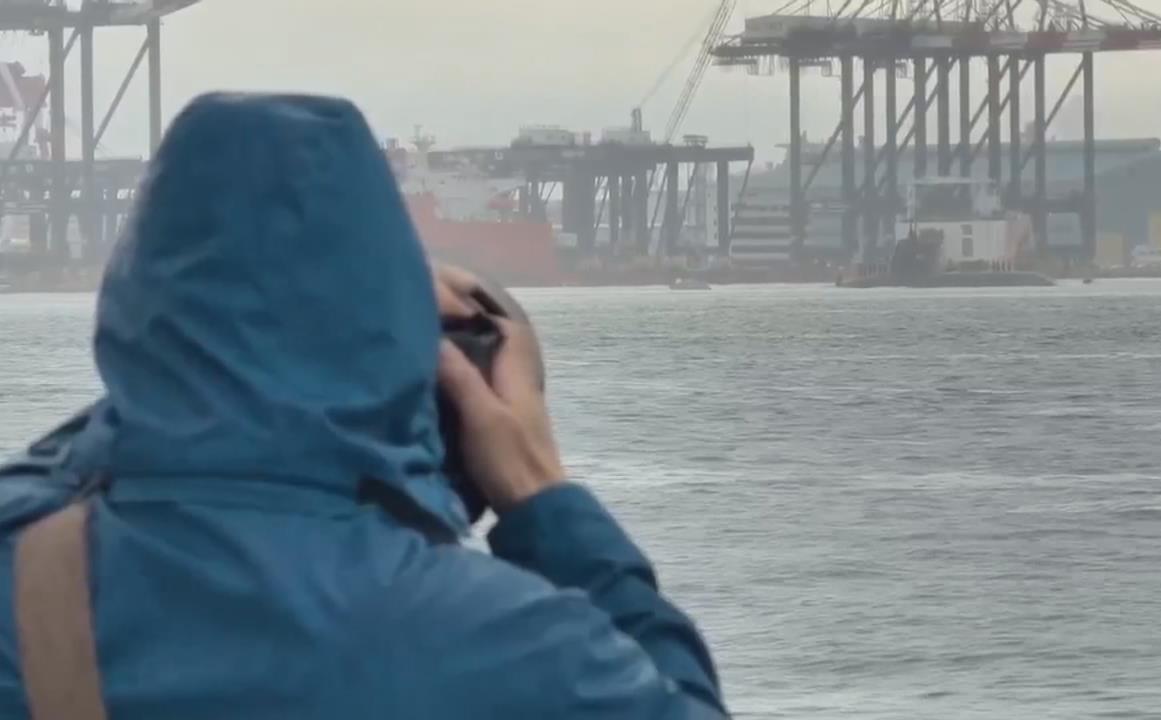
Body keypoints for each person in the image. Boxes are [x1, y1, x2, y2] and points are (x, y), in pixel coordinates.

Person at [0, 93, 727, 719]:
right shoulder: (511, 647)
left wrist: (178, 383)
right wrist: (541, 496)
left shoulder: (22, 576)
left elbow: (136, 438)